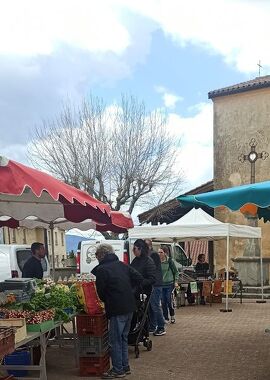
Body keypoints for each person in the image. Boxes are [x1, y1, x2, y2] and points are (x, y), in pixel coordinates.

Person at [93, 243, 143, 379]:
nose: (96, 258)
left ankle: (118, 370)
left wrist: (109, 298)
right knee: (123, 339)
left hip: (116, 308)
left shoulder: (102, 269)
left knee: (115, 340)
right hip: (129, 306)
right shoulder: (122, 265)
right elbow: (139, 278)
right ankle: (125, 367)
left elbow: (101, 292)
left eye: (96, 255)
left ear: (102, 255)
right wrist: (129, 291)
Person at [144, 239, 166, 336]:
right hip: (152, 284)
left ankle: (161, 327)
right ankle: (153, 326)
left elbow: (152, 269)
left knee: (155, 305)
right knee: (151, 306)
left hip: (155, 284)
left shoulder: (153, 255)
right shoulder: (150, 255)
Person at [158, 245, 179, 324]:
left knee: (169, 300)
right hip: (161, 285)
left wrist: (176, 281)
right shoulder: (157, 262)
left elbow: (176, 272)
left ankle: (172, 315)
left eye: (161, 252)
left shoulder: (170, 261)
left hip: (170, 284)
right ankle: (166, 317)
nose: (159, 254)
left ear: (165, 253)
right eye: (158, 252)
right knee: (163, 301)